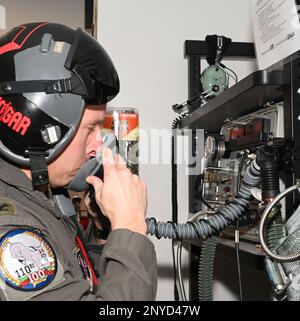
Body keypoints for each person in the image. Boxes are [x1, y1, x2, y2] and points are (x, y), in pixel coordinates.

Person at [0, 22, 157, 300]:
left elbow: (78, 282)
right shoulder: (11, 226)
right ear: (40, 126)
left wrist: (104, 230)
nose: (99, 146)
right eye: (90, 129)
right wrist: (131, 226)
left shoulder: (40, 194)